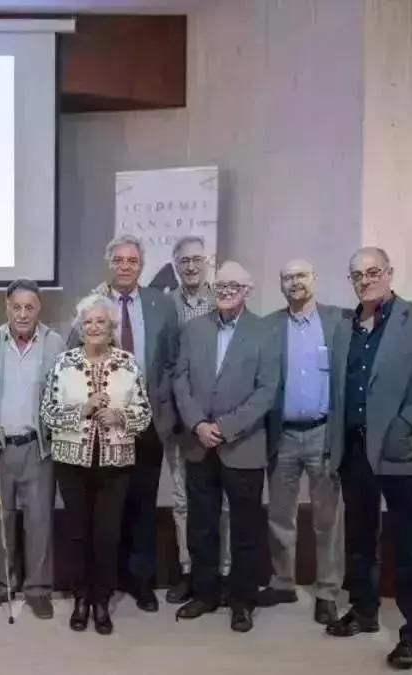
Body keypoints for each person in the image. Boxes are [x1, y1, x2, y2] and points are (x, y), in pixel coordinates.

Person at [325, 247, 412, 670]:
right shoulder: (345, 327)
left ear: (389, 273)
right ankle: (364, 610)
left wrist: (407, 423)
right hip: (354, 451)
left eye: (372, 272)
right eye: (356, 275)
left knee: (409, 545)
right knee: (360, 538)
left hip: (403, 450)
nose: (364, 280)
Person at [68, 234, 178, 613]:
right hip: (100, 423)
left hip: (145, 420)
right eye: (118, 260)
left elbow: (171, 361)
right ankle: (106, 582)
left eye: (132, 260)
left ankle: (142, 581)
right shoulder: (93, 304)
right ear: (109, 264)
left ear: (141, 265)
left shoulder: (161, 304)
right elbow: (72, 352)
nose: (125, 266)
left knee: (143, 503)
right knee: (107, 507)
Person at [172, 261, 279, 633]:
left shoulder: (265, 331)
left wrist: (226, 426)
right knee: (201, 525)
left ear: (247, 290)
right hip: (199, 443)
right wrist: (199, 425)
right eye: (220, 286)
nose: (227, 291)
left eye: (235, 285)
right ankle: (204, 593)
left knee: (245, 528)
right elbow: (180, 380)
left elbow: (267, 390)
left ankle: (242, 600)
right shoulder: (193, 328)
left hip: (244, 445)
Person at [43, 294, 151, 635]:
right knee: (77, 535)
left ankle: (102, 600)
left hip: (115, 464)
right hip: (71, 463)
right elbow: (47, 413)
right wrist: (83, 410)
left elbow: (145, 413)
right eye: (87, 322)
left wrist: (120, 416)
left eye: (100, 322)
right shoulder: (64, 363)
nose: (93, 327)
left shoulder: (128, 363)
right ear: (80, 327)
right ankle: (80, 598)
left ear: (111, 327)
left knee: (106, 536)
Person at [258, 259, 347, 625]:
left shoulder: (339, 321)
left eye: (301, 275)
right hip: (283, 434)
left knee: (327, 516)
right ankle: (282, 581)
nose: (294, 282)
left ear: (315, 279)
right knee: (280, 514)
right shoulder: (269, 327)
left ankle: (327, 590)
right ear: (280, 285)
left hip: (325, 432)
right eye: (287, 277)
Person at [0, 279, 65, 619]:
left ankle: (39, 588)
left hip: (38, 446)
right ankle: (1, 585)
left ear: (38, 309)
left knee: (39, 521)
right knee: (0, 520)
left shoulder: (54, 343)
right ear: (7, 307)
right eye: (17, 307)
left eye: (30, 307)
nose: (23, 314)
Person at [164, 234, 230, 605]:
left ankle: (221, 571)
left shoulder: (222, 298)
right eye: (183, 260)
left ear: (208, 262)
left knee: (221, 502)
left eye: (196, 259)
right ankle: (189, 570)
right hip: (181, 419)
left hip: (223, 421)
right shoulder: (164, 304)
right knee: (181, 500)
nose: (190, 266)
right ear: (175, 264)